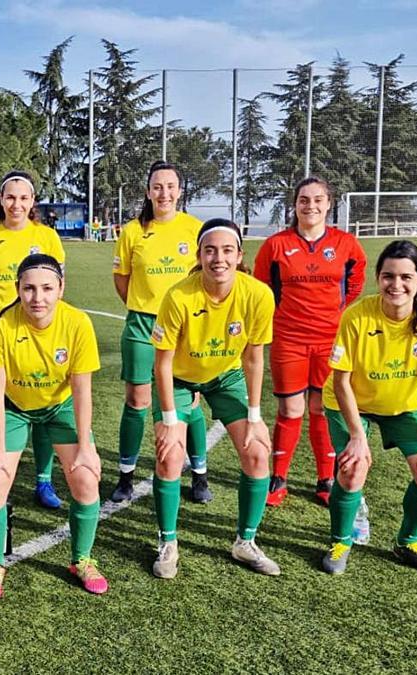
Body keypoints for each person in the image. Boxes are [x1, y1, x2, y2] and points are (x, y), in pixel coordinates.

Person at [149, 219, 280, 578]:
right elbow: (161, 364)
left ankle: (245, 542)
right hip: (178, 378)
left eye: (226, 250)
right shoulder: (179, 296)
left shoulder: (258, 295)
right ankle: (168, 542)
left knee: (256, 451)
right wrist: (170, 421)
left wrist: (254, 415)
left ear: (239, 255)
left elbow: (254, 358)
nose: (218, 258)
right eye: (210, 250)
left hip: (226, 377)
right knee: (170, 456)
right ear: (199, 255)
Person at [0, 253, 106, 601]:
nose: (38, 297)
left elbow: (81, 390)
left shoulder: (78, 323)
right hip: (13, 407)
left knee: (85, 477)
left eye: (47, 288)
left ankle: (82, 559)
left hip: (58, 406)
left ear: (61, 289)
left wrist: (85, 445)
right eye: (29, 288)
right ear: (17, 289)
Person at [320, 240, 417, 575]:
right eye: (388, 276)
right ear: (378, 278)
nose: (397, 284)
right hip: (350, 403)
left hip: (403, 406)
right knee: (352, 469)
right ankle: (340, 541)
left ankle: (408, 541)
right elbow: (341, 381)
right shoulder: (356, 317)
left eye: (406, 277)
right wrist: (356, 436)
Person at [254, 177, 367, 507]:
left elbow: (355, 282)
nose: (311, 205)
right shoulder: (276, 245)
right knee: (291, 408)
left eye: (318, 199)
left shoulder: (345, 244)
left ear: (329, 203)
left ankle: (325, 477)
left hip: (330, 339)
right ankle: (278, 477)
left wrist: (336, 313)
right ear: (295, 204)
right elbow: (263, 290)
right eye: (304, 199)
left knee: (321, 408)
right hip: (289, 338)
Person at [0, 170, 66, 509]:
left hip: (41, 335)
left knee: (43, 405)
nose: (17, 204)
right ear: (0, 199)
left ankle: (43, 480)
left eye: (24, 198)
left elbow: (56, 287)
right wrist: (2, 319)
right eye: (10, 197)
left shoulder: (47, 237)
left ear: (33, 202)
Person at [110, 162, 208, 504]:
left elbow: (203, 278)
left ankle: (199, 474)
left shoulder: (195, 229)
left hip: (184, 328)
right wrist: (144, 305)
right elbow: (123, 281)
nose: (164, 193)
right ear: (148, 191)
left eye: (170, 186)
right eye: (157, 186)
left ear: (180, 190)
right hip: (141, 325)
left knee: (190, 403)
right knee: (137, 401)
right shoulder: (133, 232)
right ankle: (125, 476)